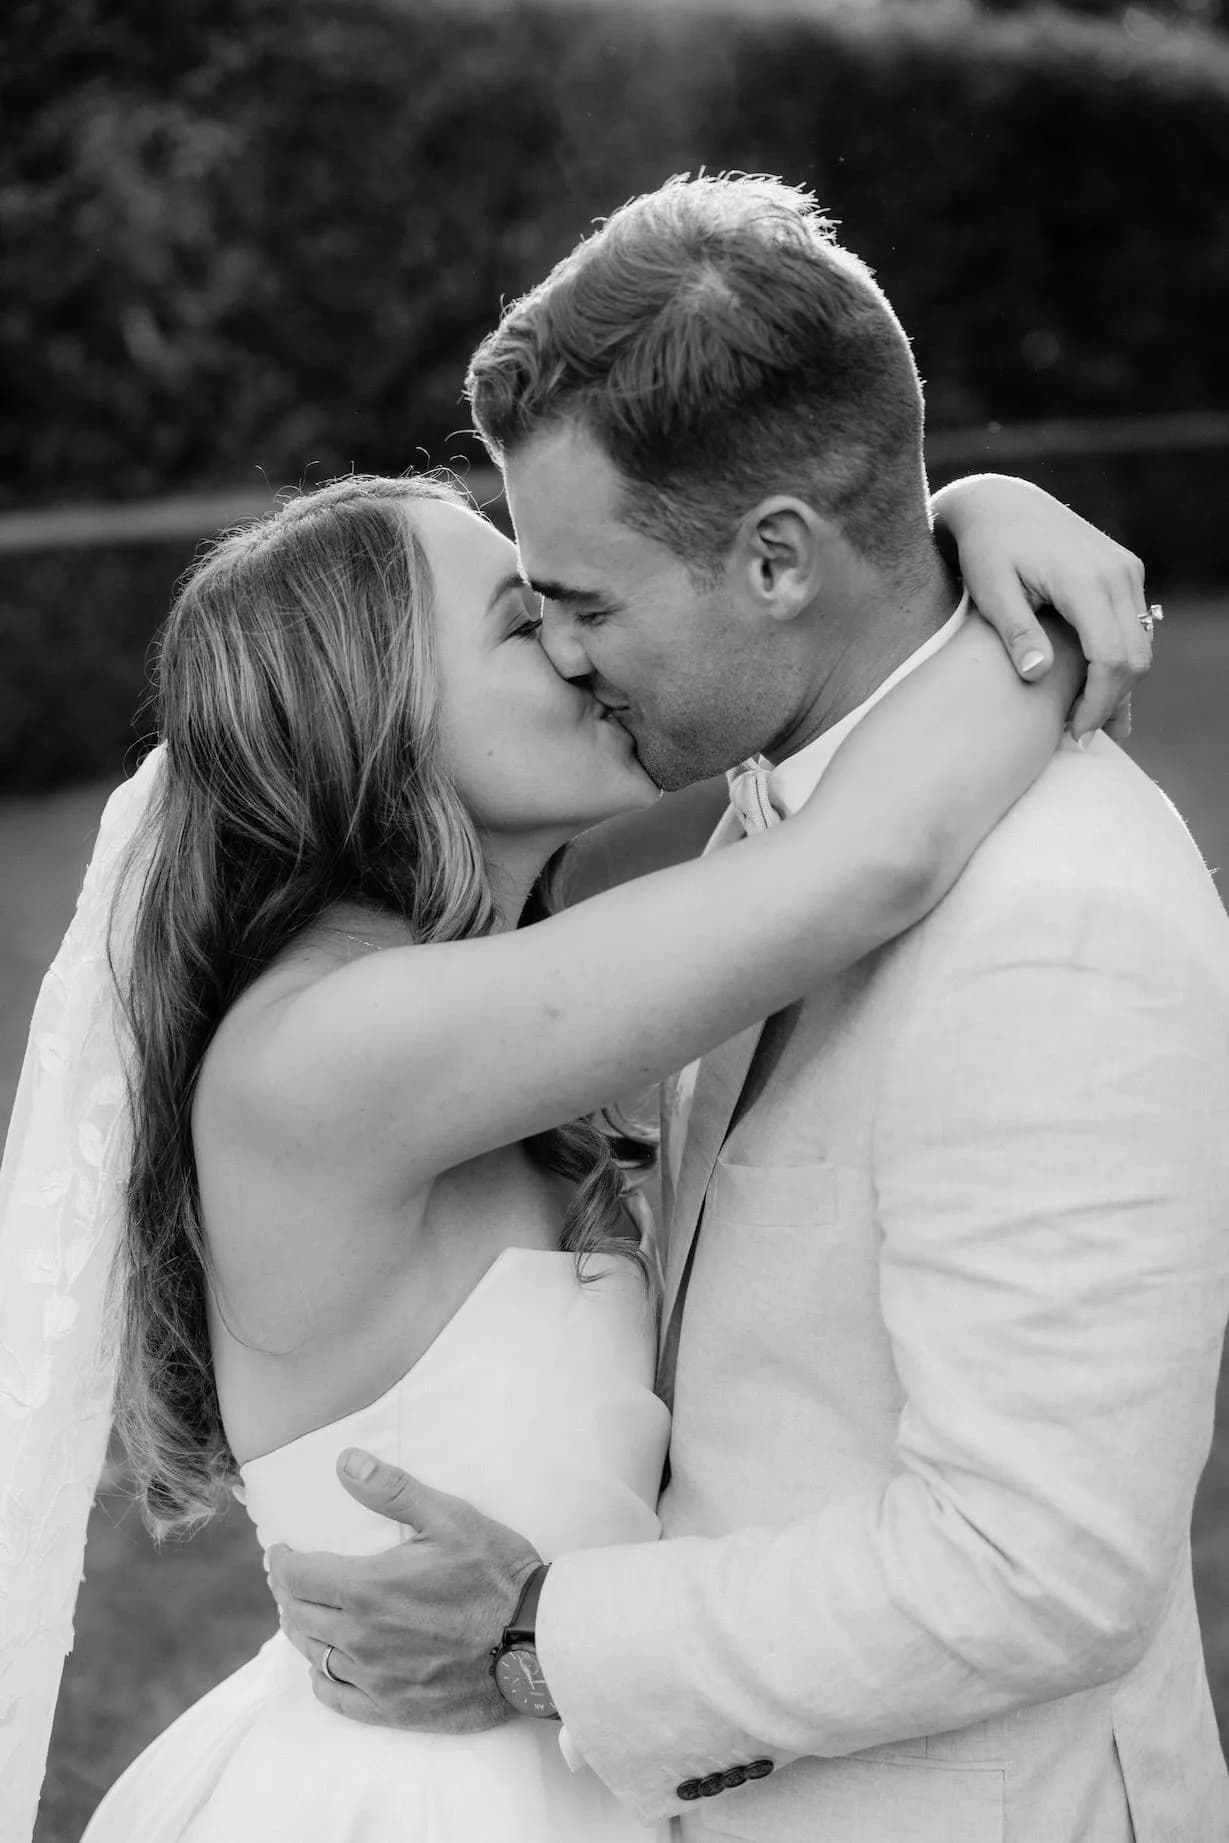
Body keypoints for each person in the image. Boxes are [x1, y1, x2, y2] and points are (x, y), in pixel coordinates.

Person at [264, 177, 1229, 1843]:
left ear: (777, 557)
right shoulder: (792, 820)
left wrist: (536, 1637)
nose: (565, 658)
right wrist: (978, 509)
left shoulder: (1051, 919)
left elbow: (1041, 1566)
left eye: (582, 601)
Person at [1, 439, 1144, 1843]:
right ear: (373, 718)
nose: (577, 641)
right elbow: (870, 862)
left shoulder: (474, 1014)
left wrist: (958, 519)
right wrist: (1017, 570)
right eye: (518, 619)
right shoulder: (330, 1054)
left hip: (578, 1759)